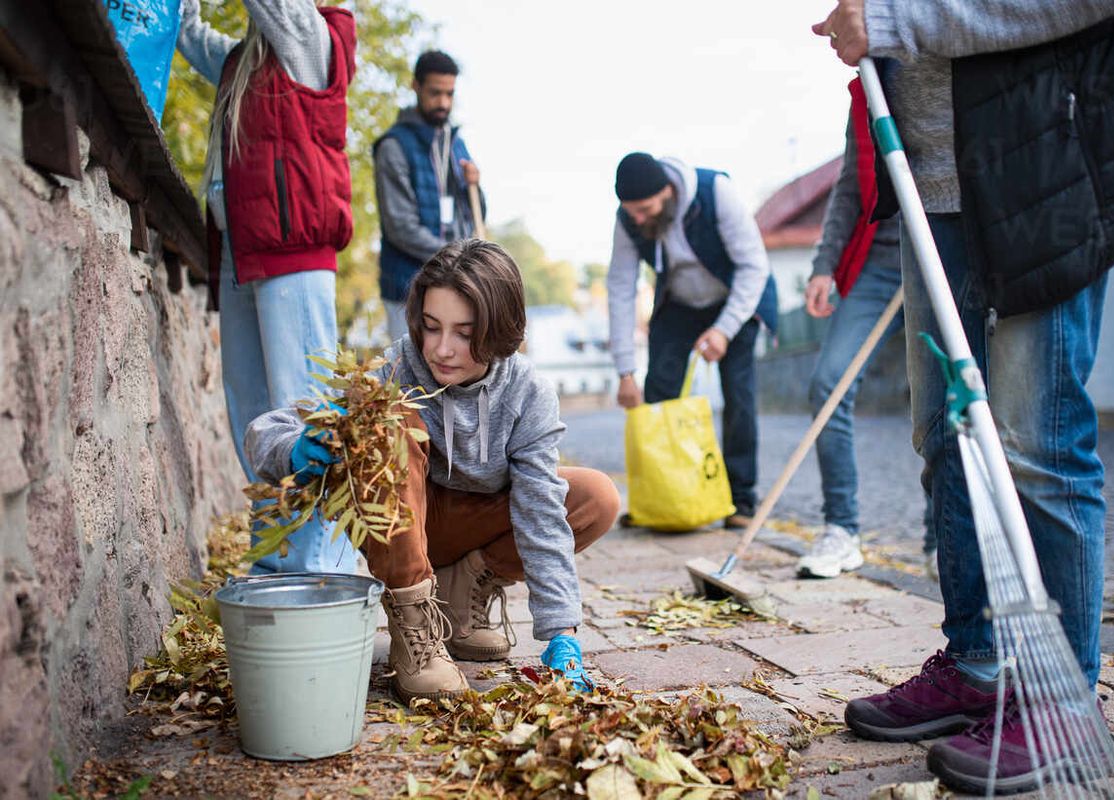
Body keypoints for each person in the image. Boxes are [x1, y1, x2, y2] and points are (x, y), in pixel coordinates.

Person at [814, 0, 1114, 793]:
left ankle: (1063, 700)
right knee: (945, 437)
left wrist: (896, 24)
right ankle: (977, 664)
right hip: (931, 189)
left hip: (1044, 168)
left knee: (1037, 442)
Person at [246, 240, 621, 701]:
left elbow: (541, 512)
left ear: (499, 330)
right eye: (431, 327)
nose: (442, 349)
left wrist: (562, 630)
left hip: (474, 522)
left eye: (464, 333)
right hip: (404, 526)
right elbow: (266, 431)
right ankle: (416, 630)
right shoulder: (395, 368)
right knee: (388, 423)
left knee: (595, 496)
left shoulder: (528, 393)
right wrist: (296, 449)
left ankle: (460, 601)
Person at [176, 0, 356, 575]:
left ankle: (320, 566)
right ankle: (277, 560)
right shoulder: (243, 62)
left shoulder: (313, 38)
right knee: (253, 416)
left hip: (293, 254)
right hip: (240, 251)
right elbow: (189, 35)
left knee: (303, 410)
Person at [794, 84, 937, 580]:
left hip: (944, 251)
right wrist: (823, 265)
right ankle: (842, 530)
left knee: (939, 397)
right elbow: (852, 186)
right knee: (828, 383)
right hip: (877, 260)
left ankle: (943, 538)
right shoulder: (867, 88)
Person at [607, 153, 778, 529]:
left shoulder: (716, 192)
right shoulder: (629, 218)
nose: (638, 219)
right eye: (631, 212)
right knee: (659, 392)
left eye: (645, 209)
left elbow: (754, 266)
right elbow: (620, 288)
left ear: (668, 192)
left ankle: (741, 501)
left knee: (739, 396)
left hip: (736, 298)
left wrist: (724, 329)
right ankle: (661, 496)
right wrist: (624, 370)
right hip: (680, 303)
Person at [374, 50, 484, 341]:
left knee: (454, 380)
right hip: (408, 291)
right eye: (435, 93)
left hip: (455, 286)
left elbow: (474, 219)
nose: (443, 103)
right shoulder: (394, 147)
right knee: (411, 381)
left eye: (449, 94)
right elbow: (401, 227)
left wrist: (477, 187)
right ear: (416, 87)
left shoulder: (457, 144)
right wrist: (456, 260)